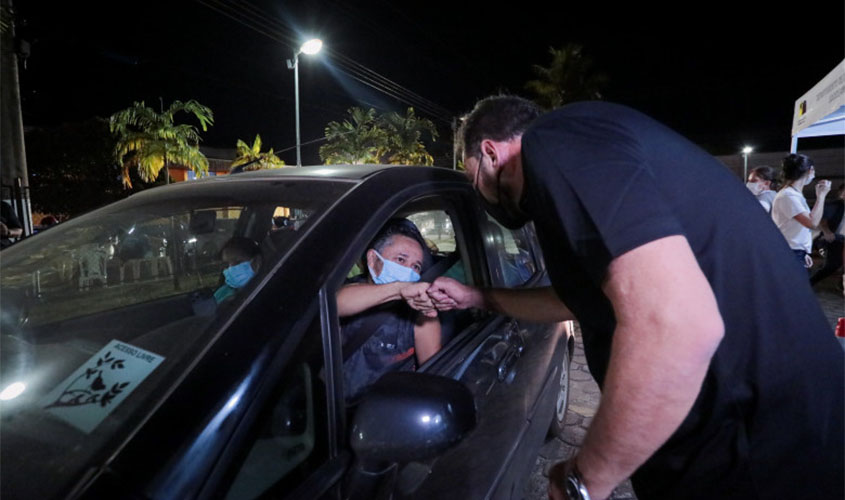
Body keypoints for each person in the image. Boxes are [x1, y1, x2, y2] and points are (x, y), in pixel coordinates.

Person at [426, 96, 843, 500]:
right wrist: (477, 296)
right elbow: (582, 301)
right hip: (747, 434)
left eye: (471, 176)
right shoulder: (587, 156)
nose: (478, 191)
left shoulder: (555, 141)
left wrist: (586, 479)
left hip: (757, 446)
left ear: (490, 152)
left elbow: (676, 325)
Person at [337, 218, 441, 400]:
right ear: (373, 258)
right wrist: (399, 289)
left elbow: (433, 379)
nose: (409, 273)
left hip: (385, 412)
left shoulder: (420, 313)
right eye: (400, 259)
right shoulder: (350, 289)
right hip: (331, 408)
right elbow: (337, 304)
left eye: (415, 267)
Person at [771, 153, 832, 269]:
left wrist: (804, 252)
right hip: (790, 252)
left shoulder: (793, 194)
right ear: (810, 170)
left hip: (794, 252)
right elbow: (812, 222)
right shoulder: (789, 196)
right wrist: (821, 196)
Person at [810, 183, 845, 287]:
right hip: (830, 240)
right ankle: (808, 283)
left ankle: (841, 284)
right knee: (833, 264)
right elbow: (822, 219)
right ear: (841, 194)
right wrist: (827, 232)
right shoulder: (835, 205)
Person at [214, 237, 262, 303]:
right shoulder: (221, 293)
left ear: (257, 261)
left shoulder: (265, 284)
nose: (230, 268)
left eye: (237, 262)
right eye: (226, 265)